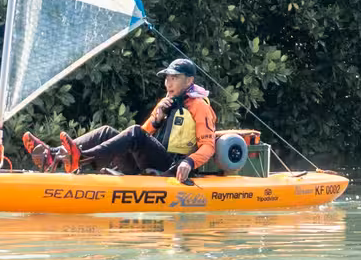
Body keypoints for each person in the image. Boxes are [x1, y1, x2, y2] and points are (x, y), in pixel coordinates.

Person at [23, 58, 218, 183]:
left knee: (134, 132)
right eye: (167, 78)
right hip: (148, 162)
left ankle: (82, 157)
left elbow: (208, 146)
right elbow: (143, 136)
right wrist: (157, 120)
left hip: (173, 167)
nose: (168, 83)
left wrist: (189, 163)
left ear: (189, 81)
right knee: (106, 131)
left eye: (174, 78)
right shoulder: (165, 103)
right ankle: (54, 155)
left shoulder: (199, 106)